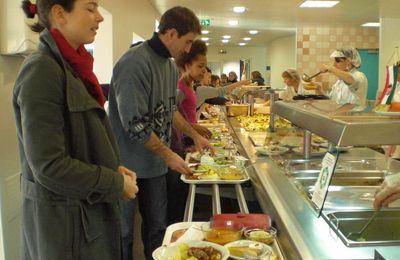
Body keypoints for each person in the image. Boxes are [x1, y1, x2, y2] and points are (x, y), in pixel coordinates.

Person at [14, 1, 138, 259]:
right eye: (91, 9)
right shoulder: (42, 71)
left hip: (83, 222)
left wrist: (111, 168)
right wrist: (114, 183)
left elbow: (78, 142)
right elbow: (49, 166)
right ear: (60, 14)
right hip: (66, 233)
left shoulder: (73, 67)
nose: (100, 17)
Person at [107, 6, 212, 259]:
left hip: (155, 165)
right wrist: (169, 156)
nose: (188, 50)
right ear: (171, 33)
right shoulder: (134, 63)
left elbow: (170, 111)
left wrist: (194, 134)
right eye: (187, 42)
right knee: (122, 234)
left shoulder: (169, 67)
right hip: (126, 165)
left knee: (157, 228)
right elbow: (136, 125)